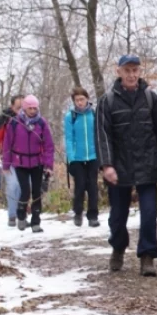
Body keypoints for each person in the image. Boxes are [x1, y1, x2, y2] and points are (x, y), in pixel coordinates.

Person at [96, 55, 157, 277]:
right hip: (119, 166)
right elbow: (102, 135)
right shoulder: (107, 101)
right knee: (118, 216)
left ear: (139, 71)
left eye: (135, 70)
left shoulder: (150, 98)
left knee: (148, 213)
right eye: (127, 70)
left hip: (147, 163)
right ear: (118, 71)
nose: (131, 74)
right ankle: (118, 247)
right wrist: (106, 165)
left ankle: (147, 256)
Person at [2, 95, 55, 233]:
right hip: (20, 162)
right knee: (25, 190)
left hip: (38, 162)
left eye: (34, 108)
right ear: (24, 108)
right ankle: (21, 216)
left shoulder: (42, 123)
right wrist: (6, 164)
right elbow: (7, 145)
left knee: (37, 191)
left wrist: (49, 165)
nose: (32, 110)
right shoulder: (14, 123)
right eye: (30, 108)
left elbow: (49, 145)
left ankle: (36, 221)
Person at [64, 86, 100, 227]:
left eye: (82, 99)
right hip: (77, 158)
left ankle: (93, 216)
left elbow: (98, 135)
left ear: (87, 99)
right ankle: (78, 212)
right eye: (77, 100)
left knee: (92, 187)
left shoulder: (93, 114)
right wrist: (71, 157)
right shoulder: (70, 116)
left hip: (92, 156)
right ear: (73, 101)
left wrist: (99, 154)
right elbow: (68, 138)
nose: (80, 102)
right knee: (80, 186)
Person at [0, 95, 24, 226]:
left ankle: (21, 213)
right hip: (8, 158)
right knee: (12, 185)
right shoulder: (3, 120)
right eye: (18, 108)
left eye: (22, 107)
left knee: (23, 187)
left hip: (26, 158)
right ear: (12, 107)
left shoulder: (30, 119)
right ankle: (12, 215)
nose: (20, 111)